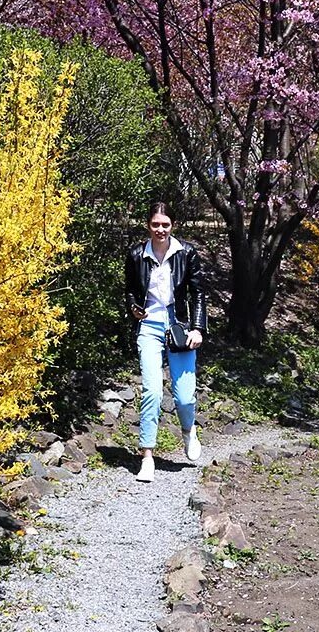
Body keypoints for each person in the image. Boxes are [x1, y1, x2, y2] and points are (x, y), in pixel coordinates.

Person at [124, 201, 206, 482]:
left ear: (173, 226)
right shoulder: (136, 254)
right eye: (155, 224)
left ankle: (188, 430)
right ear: (148, 225)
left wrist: (197, 328)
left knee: (184, 396)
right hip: (148, 325)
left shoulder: (187, 253)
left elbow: (197, 294)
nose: (160, 229)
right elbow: (131, 291)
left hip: (179, 325)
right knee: (152, 391)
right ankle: (147, 457)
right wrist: (134, 308)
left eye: (165, 224)